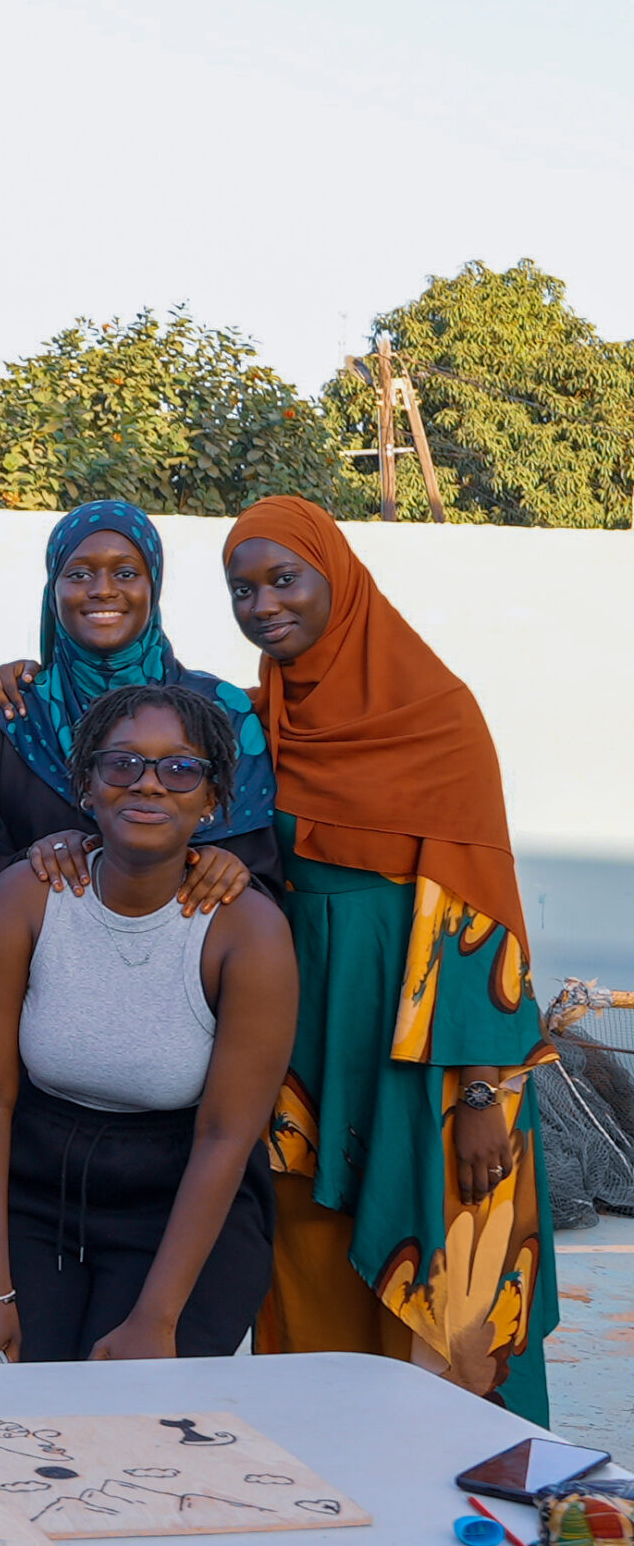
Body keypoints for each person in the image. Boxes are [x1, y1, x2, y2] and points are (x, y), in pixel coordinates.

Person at [225, 496, 559, 1422]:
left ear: (338, 578)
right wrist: (19, 671)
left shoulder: (436, 716)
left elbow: (477, 912)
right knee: (307, 1274)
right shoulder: (258, 727)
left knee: (448, 1284)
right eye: (241, 589)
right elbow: (133, 721)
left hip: (434, 1055)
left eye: (282, 579)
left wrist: (483, 1091)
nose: (262, 605)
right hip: (305, 1046)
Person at [0, 684, 296, 1365]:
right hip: (32, 1191)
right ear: (87, 786)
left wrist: (157, 1320)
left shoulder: (249, 933)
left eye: (180, 768)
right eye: (122, 764)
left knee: (135, 1423)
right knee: (11, 1409)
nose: (149, 784)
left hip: (180, 1202)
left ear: (213, 799)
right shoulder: (26, 896)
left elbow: (226, 1135)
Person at [0, 499, 280, 916]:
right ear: (53, 589)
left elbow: (263, 881)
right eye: (78, 574)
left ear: (154, 586)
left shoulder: (224, 714)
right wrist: (33, 862)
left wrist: (229, 870)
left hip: (189, 965)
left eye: (126, 573)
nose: (102, 589)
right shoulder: (9, 715)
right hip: (39, 961)